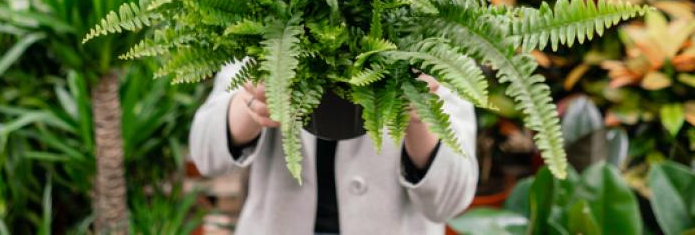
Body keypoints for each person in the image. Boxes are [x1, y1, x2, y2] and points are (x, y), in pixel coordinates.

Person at [189, 62, 478, 235]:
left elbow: (449, 201)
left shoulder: (430, 30)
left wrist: (419, 116)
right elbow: (207, 155)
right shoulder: (271, 9)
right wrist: (251, 103)